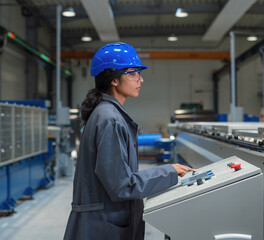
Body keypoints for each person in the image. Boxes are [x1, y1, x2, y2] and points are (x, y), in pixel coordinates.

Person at [64, 42, 195, 240]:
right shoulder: (110, 119)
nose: (140, 79)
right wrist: (168, 171)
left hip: (104, 220)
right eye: (133, 73)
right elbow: (122, 185)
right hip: (102, 227)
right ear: (114, 79)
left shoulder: (106, 113)